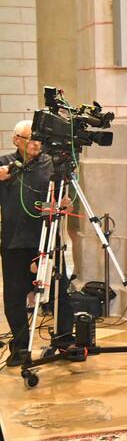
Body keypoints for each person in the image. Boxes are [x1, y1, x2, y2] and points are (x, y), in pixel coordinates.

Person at [0, 121, 54, 366]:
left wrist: (59, 204)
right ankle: (21, 346)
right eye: (30, 138)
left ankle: (63, 340)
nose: (35, 143)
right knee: (14, 296)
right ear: (16, 140)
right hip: (14, 241)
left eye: (38, 139)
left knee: (58, 290)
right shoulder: (5, 164)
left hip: (45, 238)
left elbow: (64, 195)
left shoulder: (50, 164)